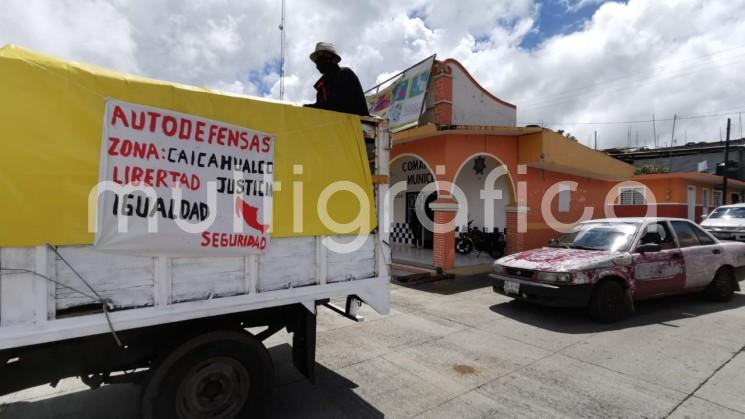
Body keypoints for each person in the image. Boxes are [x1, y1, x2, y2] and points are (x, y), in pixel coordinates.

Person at [305, 42, 370, 117]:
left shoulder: (345, 74)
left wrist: (311, 108)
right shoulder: (321, 85)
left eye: (321, 60)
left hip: (357, 125)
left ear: (333, 60)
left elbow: (338, 105)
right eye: (317, 62)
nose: (317, 66)